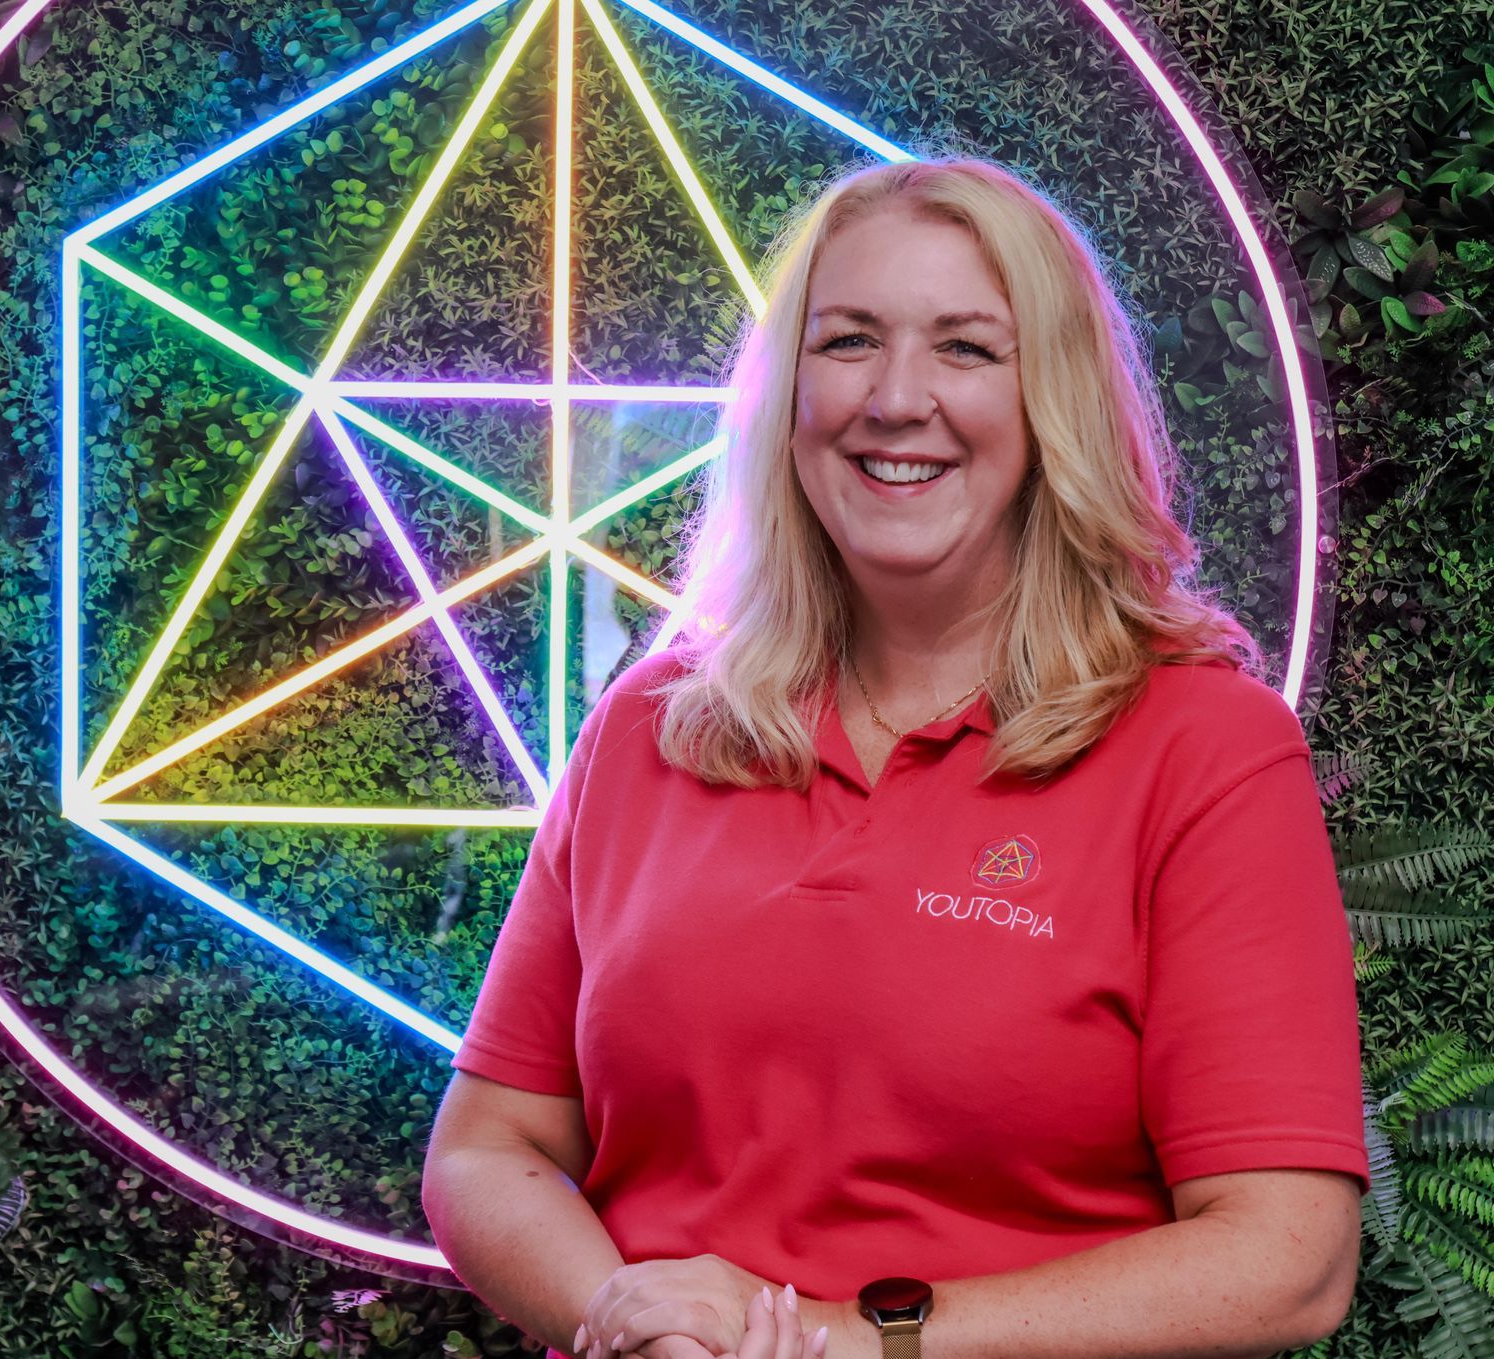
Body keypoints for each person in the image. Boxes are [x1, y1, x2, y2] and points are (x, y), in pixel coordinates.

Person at [420, 157, 1369, 1359]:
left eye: (967, 348)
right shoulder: (649, 729)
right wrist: (637, 1325)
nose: (895, 398)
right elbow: (486, 1147)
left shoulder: (1205, 751)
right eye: (849, 341)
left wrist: (849, 1345)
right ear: (786, 393)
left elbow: (1287, 1260)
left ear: (1054, 402)